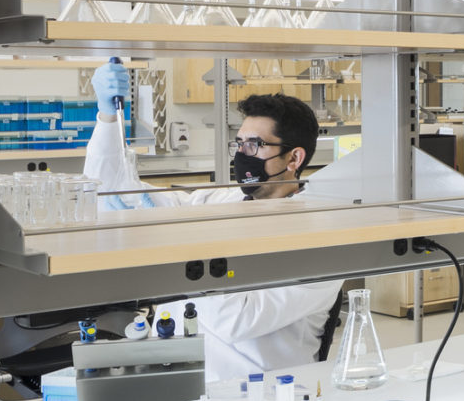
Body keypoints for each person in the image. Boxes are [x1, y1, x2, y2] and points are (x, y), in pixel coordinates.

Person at [85, 61, 342, 384]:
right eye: (240, 143)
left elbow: (236, 320)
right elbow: (112, 195)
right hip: (175, 383)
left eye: (254, 145)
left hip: (258, 396)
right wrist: (108, 118)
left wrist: (185, 238)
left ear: (294, 159)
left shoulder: (322, 238)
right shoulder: (219, 200)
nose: (242, 154)